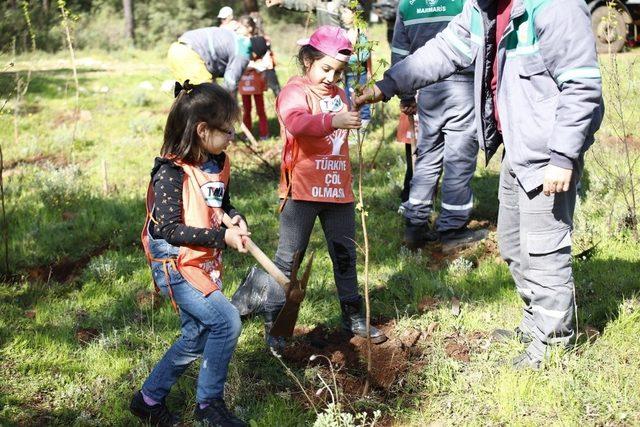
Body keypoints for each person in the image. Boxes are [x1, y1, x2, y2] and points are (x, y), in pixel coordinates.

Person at [356, 0, 603, 369]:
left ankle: (553, 346)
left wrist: (563, 157)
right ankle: (535, 324)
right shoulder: (484, 9)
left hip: (547, 153)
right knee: (514, 245)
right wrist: (388, 84)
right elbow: (442, 51)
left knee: (544, 251)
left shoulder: (556, 6)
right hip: (519, 148)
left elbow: (582, 86)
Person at [235, 25, 387, 351]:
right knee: (289, 259)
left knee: (344, 256)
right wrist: (333, 121)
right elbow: (297, 122)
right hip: (302, 191)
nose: (332, 77)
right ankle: (276, 322)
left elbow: (342, 129)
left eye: (339, 71)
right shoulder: (294, 91)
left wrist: (354, 111)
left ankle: (353, 316)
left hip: (339, 193)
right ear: (308, 60)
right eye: (326, 68)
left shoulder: (341, 95)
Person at [130, 81, 250, 426]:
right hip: (176, 265)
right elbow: (169, 230)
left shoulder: (216, 161)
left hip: (200, 260)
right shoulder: (170, 173)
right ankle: (209, 405)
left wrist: (233, 218)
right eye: (227, 130)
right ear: (202, 130)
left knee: (196, 334)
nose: (232, 137)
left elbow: (220, 202)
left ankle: (148, 400)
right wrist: (221, 238)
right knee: (226, 323)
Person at [392, 0, 486, 251]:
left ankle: (415, 224)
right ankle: (452, 229)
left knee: (427, 155)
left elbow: (400, 53)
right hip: (463, 86)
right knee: (458, 159)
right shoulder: (466, 2)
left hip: (427, 88)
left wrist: (406, 95)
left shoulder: (406, 5)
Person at [166, 20, 254, 92]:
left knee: (186, 97)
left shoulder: (234, 37)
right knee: (206, 99)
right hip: (189, 55)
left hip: (175, 49)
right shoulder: (245, 50)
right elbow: (230, 83)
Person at [341, 6, 371, 130]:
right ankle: (354, 128)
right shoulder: (343, 32)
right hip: (347, 75)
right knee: (349, 100)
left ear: (354, 14)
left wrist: (346, 57)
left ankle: (363, 125)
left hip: (360, 75)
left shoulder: (360, 33)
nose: (342, 14)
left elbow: (365, 55)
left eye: (345, 12)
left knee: (361, 100)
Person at [238, 23, 271, 140]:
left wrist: (252, 66)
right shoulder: (241, 44)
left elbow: (266, 63)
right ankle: (248, 134)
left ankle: (264, 133)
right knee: (246, 110)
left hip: (257, 84)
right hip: (245, 84)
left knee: (260, 110)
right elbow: (240, 64)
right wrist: (253, 66)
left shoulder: (259, 43)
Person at [265, 0, 347, 29]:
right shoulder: (319, 2)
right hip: (324, 44)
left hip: (344, 47)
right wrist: (282, 1)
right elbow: (302, 4)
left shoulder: (347, 3)